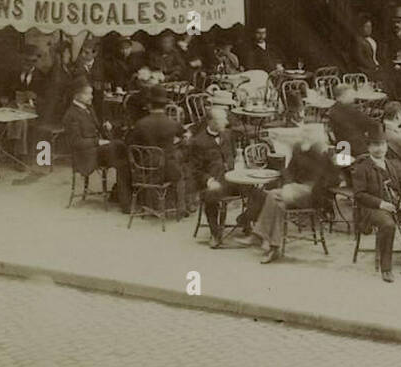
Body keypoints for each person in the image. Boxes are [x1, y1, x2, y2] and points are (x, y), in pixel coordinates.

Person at [253, 124, 339, 264]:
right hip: (294, 189)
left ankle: (264, 237)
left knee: (273, 196)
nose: (306, 135)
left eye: (310, 133)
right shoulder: (299, 147)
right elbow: (288, 170)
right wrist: (289, 184)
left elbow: (333, 179)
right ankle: (274, 246)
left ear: (318, 136)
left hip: (312, 194)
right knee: (276, 200)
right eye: (304, 132)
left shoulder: (325, 152)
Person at [190, 106, 261, 249]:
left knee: (260, 194)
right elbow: (194, 169)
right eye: (222, 119)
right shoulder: (198, 141)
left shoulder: (228, 135)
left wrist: (240, 167)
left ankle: (244, 219)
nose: (226, 122)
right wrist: (209, 181)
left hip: (233, 179)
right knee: (211, 196)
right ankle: (215, 234)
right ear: (211, 122)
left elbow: (234, 156)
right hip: (214, 182)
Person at [351, 121, 401, 281]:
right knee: (388, 225)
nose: (379, 149)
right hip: (372, 209)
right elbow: (359, 194)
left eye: (382, 144)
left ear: (387, 145)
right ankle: (386, 268)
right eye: (375, 145)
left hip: (396, 206)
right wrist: (381, 204)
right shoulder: (362, 167)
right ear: (369, 147)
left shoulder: (393, 165)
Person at [62, 83, 131, 210]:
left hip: (98, 151)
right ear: (77, 95)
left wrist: (106, 127)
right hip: (85, 155)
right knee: (121, 149)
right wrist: (97, 142)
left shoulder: (88, 108)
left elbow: (97, 128)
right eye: (88, 94)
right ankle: (125, 201)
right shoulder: (71, 115)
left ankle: (121, 197)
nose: (91, 97)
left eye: (91, 93)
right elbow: (75, 143)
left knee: (124, 158)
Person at [127, 85, 186, 185]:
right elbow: (185, 137)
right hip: (167, 172)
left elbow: (130, 145)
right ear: (165, 106)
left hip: (145, 169)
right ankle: (178, 196)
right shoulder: (172, 124)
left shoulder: (140, 124)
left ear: (149, 105)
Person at [327, 82, 377, 156]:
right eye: (351, 95)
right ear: (343, 96)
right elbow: (371, 124)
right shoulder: (350, 111)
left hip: (342, 146)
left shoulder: (333, 110)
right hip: (357, 147)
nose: (353, 97)